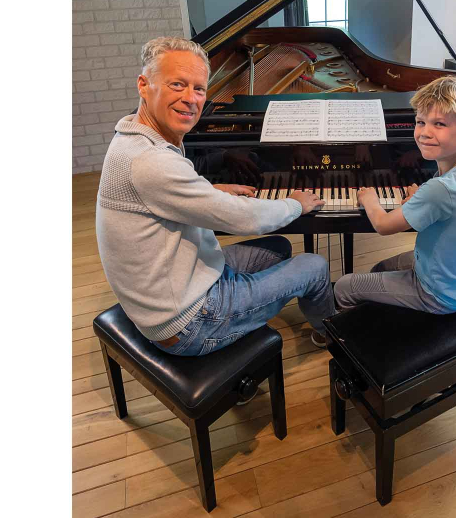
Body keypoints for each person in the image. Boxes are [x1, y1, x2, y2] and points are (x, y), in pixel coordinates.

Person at [96, 36, 335, 361]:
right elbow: (245, 219)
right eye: (177, 84)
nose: (190, 99)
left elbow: (166, 197)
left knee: (278, 247)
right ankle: (330, 335)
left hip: (172, 288)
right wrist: (296, 203)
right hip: (189, 321)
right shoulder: (151, 162)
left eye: (198, 88)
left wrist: (212, 191)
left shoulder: (132, 139)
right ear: (143, 85)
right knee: (315, 265)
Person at [334, 76, 456, 314]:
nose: (424, 133)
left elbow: (383, 226)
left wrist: (369, 200)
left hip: (437, 293)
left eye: (439, 124)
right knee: (379, 267)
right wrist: (426, 204)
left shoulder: (439, 191)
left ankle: (344, 335)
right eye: (420, 122)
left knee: (344, 287)